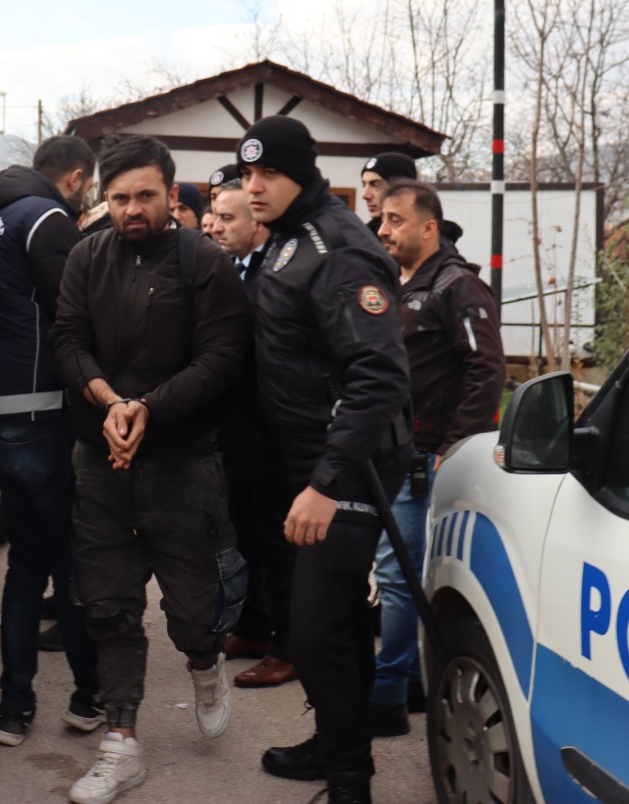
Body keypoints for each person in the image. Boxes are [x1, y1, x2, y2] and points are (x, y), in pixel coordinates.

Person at [53, 135, 252, 804]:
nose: (131, 209)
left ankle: (205, 662)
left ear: (170, 193)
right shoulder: (85, 257)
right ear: (102, 197)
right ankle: (122, 740)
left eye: (144, 196)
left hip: (184, 466)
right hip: (101, 464)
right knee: (108, 607)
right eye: (118, 198)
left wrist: (148, 409)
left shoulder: (206, 261)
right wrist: (111, 403)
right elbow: (68, 340)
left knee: (194, 612)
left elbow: (223, 357)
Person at [237, 115, 414, 804]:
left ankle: (349, 781)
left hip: (346, 468)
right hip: (299, 464)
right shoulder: (287, 237)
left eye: (269, 173)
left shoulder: (337, 249)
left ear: (303, 174)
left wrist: (324, 484)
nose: (254, 186)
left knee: (314, 632)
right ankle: (336, 743)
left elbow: (380, 377)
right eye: (247, 173)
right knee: (329, 620)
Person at [0, 135, 104, 748]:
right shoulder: (45, 219)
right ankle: (89, 698)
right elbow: (77, 314)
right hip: (41, 416)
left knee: (25, 564)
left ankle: (13, 710)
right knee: (69, 563)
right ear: (74, 179)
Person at [368, 179, 506, 735]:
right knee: (405, 574)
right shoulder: (401, 283)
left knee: (398, 575)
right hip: (398, 451)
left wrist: (454, 445)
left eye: (395, 220)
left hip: (427, 457)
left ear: (429, 227)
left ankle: (385, 697)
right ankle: (411, 683)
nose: (383, 229)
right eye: (382, 219)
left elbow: (487, 369)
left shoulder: (457, 286)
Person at [206, 182, 296, 688]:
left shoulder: (274, 275)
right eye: (215, 216)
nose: (216, 226)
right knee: (246, 539)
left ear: (256, 224)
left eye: (228, 218)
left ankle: (288, 647)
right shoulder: (236, 269)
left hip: (273, 433)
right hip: (240, 432)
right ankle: (255, 628)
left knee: (279, 546)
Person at [358, 151, 416, 234]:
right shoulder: (360, 237)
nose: (365, 195)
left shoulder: (426, 237)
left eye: (376, 184)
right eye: (364, 185)